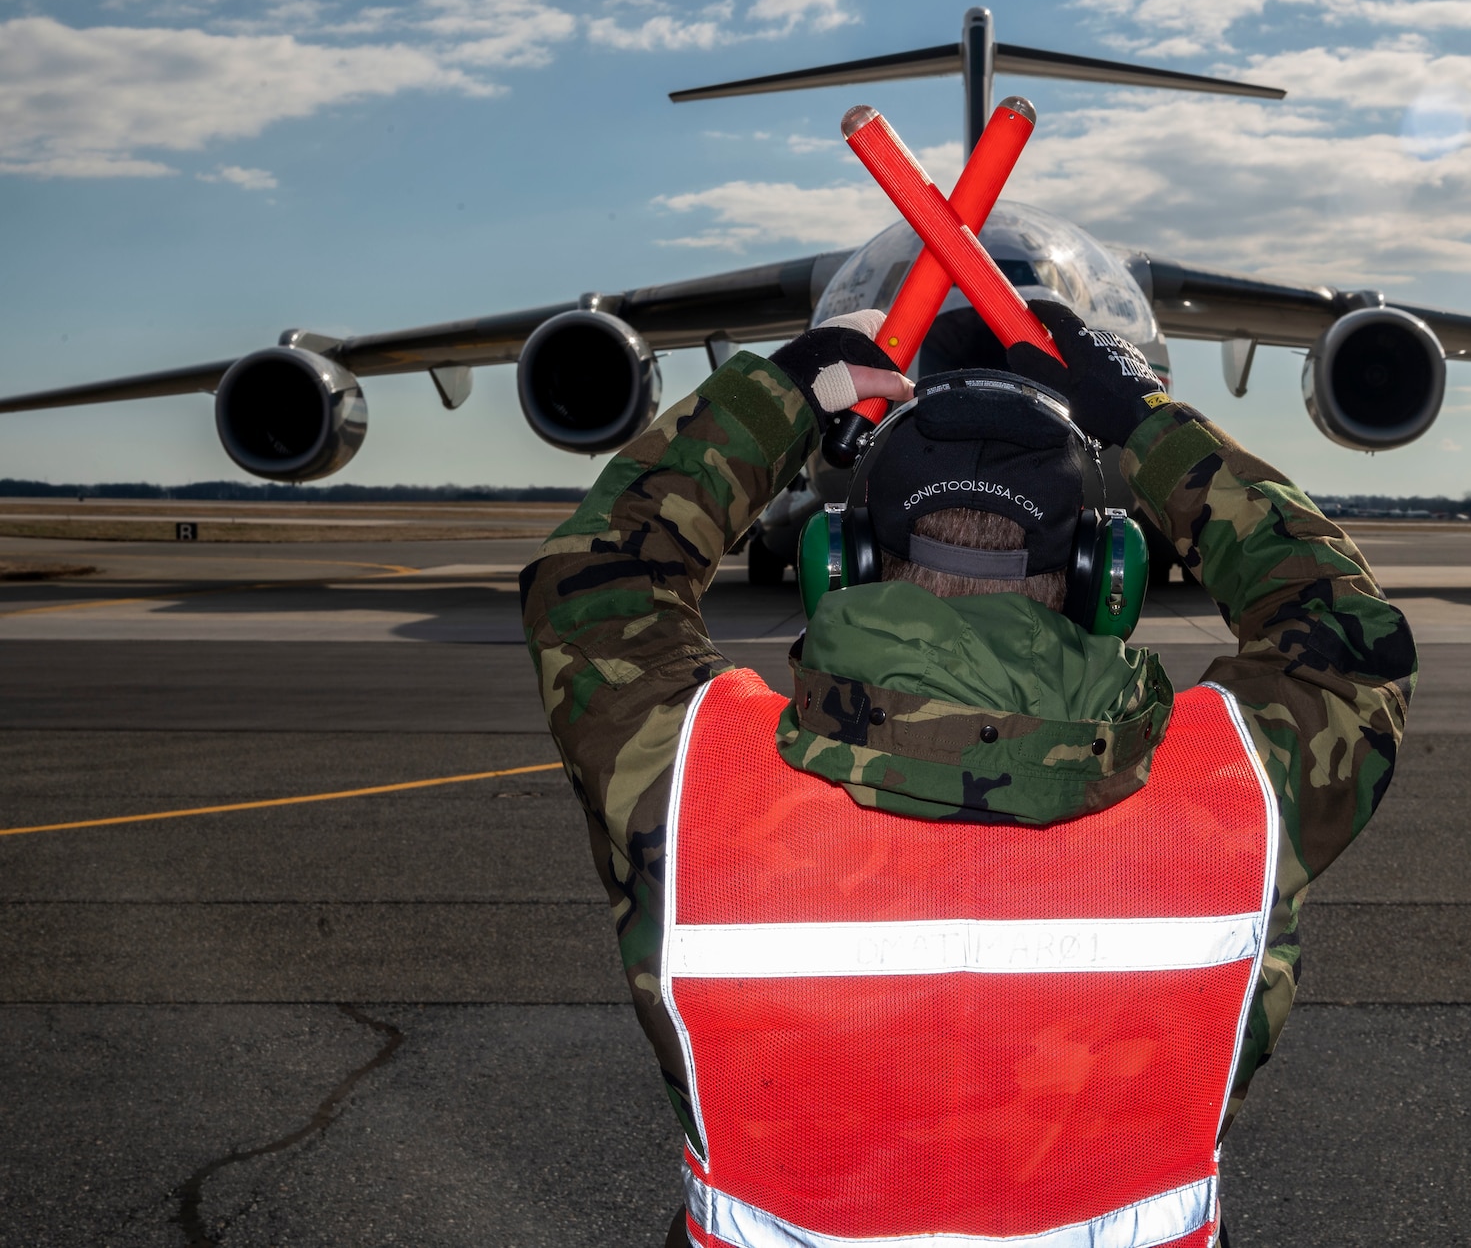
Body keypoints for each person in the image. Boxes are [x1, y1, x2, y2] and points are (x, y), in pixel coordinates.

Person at [519, 300, 1416, 1247]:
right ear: (1110, 576)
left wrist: (777, 395)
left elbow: (596, 585)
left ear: (841, 562)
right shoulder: (1231, 794)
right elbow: (1347, 637)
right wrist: (1150, 422)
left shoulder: (699, 779)